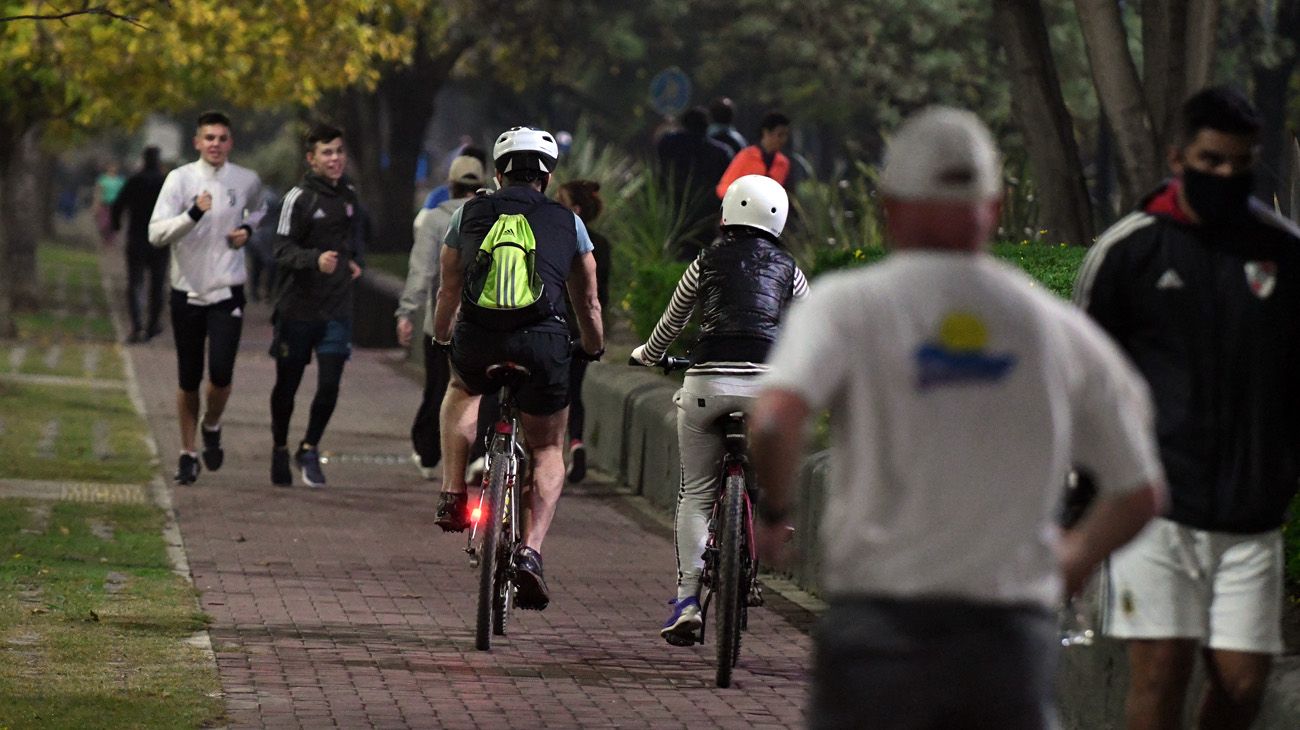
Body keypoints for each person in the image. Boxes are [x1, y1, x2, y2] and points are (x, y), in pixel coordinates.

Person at [750, 106, 1166, 729]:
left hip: (879, 627)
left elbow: (775, 420)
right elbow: (1140, 488)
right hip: (1007, 638)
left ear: (889, 205)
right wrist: (1073, 557)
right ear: (993, 209)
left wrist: (776, 512)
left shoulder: (848, 306)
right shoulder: (1052, 328)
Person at [1075, 86, 1300, 730]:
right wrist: (1077, 506)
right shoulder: (1130, 251)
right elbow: (1084, 384)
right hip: (1154, 509)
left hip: (1251, 513)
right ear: (1178, 157)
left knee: (1243, 682)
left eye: (1241, 163)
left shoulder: (1283, 253)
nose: (1226, 175)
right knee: (1162, 667)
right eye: (1211, 161)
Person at [630, 174, 811, 645]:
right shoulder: (789, 269)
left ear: (729, 211)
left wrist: (647, 355)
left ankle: (687, 599)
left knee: (696, 494)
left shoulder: (705, 260)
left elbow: (672, 321)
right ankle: (773, 509)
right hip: (765, 391)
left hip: (707, 384)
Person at [431, 126, 604, 611]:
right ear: (546, 177)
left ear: (499, 172)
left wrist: (444, 334)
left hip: (480, 338)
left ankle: (451, 491)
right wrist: (592, 346)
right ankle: (530, 552)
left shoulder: (467, 213)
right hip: (544, 343)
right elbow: (587, 300)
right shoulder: (568, 223)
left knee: (462, 390)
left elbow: (448, 288)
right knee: (548, 445)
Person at [149, 111, 266, 485]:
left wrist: (247, 228)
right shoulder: (179, 180)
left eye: (222, 138)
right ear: (197, 142)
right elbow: (156, 234)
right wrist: (192, 215)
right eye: (209, 138)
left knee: (220, 373)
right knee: (188, 378)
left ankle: (212, 424)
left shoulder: (245, 180)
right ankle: (187, 452)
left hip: (227, 289)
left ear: (231, 143)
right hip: (186, 291)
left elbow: (261, 208)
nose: (215, 144)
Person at [267, 123, 365, 488]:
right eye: (327, 152)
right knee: (287, 386)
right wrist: (313, 259)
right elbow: (279, 249)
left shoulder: (350, 197)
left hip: (337, 309)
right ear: (311, 158)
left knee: (329, 385)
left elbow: (353, 242)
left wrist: (355, 263)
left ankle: (309, 447)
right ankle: (279, 446)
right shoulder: (299, 198)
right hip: (298, 310)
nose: (335, 158)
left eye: (339, 151)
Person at [397, 154, 487, 478]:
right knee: (479, 390)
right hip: (482, 321)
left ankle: (428, 451)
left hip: (440, 321)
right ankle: (479, 454)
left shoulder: (436, 219)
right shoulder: (490, 216)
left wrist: (406, 311)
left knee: (438, 388)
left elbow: (421, 271)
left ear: (450, 185)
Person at [555, 179, 612, 483]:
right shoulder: (601, 244)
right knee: (574, 392)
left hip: (555, 325)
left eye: (559, 200)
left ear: (574, 209)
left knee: (550, 393)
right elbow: (601, 295)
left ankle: (549, 453)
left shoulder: (558, 238)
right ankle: (576, 443)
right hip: (583, 329)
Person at [656, 107, 733, 259]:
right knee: (701, 258)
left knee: (674, 256)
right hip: (707, 214)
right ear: (707, 126)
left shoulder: (668, 144)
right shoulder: (721, 152)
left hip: (674, 211)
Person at [111, 146, 168, 343]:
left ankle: (137, 326)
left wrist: (116, 225)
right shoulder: (166, 183)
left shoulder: (134, 181)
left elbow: (118, 205)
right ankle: (153, 324)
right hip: (160, 239)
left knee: (135, 282)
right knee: (158, 284)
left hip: (137, 237)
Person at [714, 111, 791, 200]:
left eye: (786, 135)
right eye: (780, 135)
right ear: (766, 132)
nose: (783, 140)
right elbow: (723, 188)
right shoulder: (746, 156)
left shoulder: (783, 163)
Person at [95, 161, 126, 248]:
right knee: (104, 223)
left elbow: (123, 193)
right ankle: (104, 237)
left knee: (112, 223)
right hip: (105, 203)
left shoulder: (120, 181)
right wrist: (96, 204)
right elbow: (98, 192)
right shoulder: (103, 179)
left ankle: (110, 241)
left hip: (115, 205)